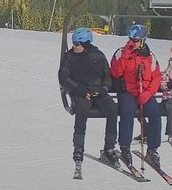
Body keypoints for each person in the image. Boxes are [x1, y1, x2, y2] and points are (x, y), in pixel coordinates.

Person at [59, 27, 119, 166]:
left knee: (112, 110)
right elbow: (63, 77)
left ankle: (109, 147)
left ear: (85, 44)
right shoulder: (69, 57)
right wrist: (78, 89)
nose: (74, 47)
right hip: (81, 93)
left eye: (77, 44)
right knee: (82, 110)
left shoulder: (98, 56)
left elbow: (107, 76)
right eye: (73, 44)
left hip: (98, 92)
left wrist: (104, 88)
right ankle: (78, 147)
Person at [111, 25, 164, 167]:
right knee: (127, 112)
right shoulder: (120, 53)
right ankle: (125, 147)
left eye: (136, 41)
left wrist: (148, 93)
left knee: (155, 113)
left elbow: (157, 77)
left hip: (145, 92)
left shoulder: (149, 56)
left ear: (143, 41)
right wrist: (126, 54)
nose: (133, 43)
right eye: (131, 40)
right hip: (127, 91)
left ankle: (152, 149)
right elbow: (116, 72)